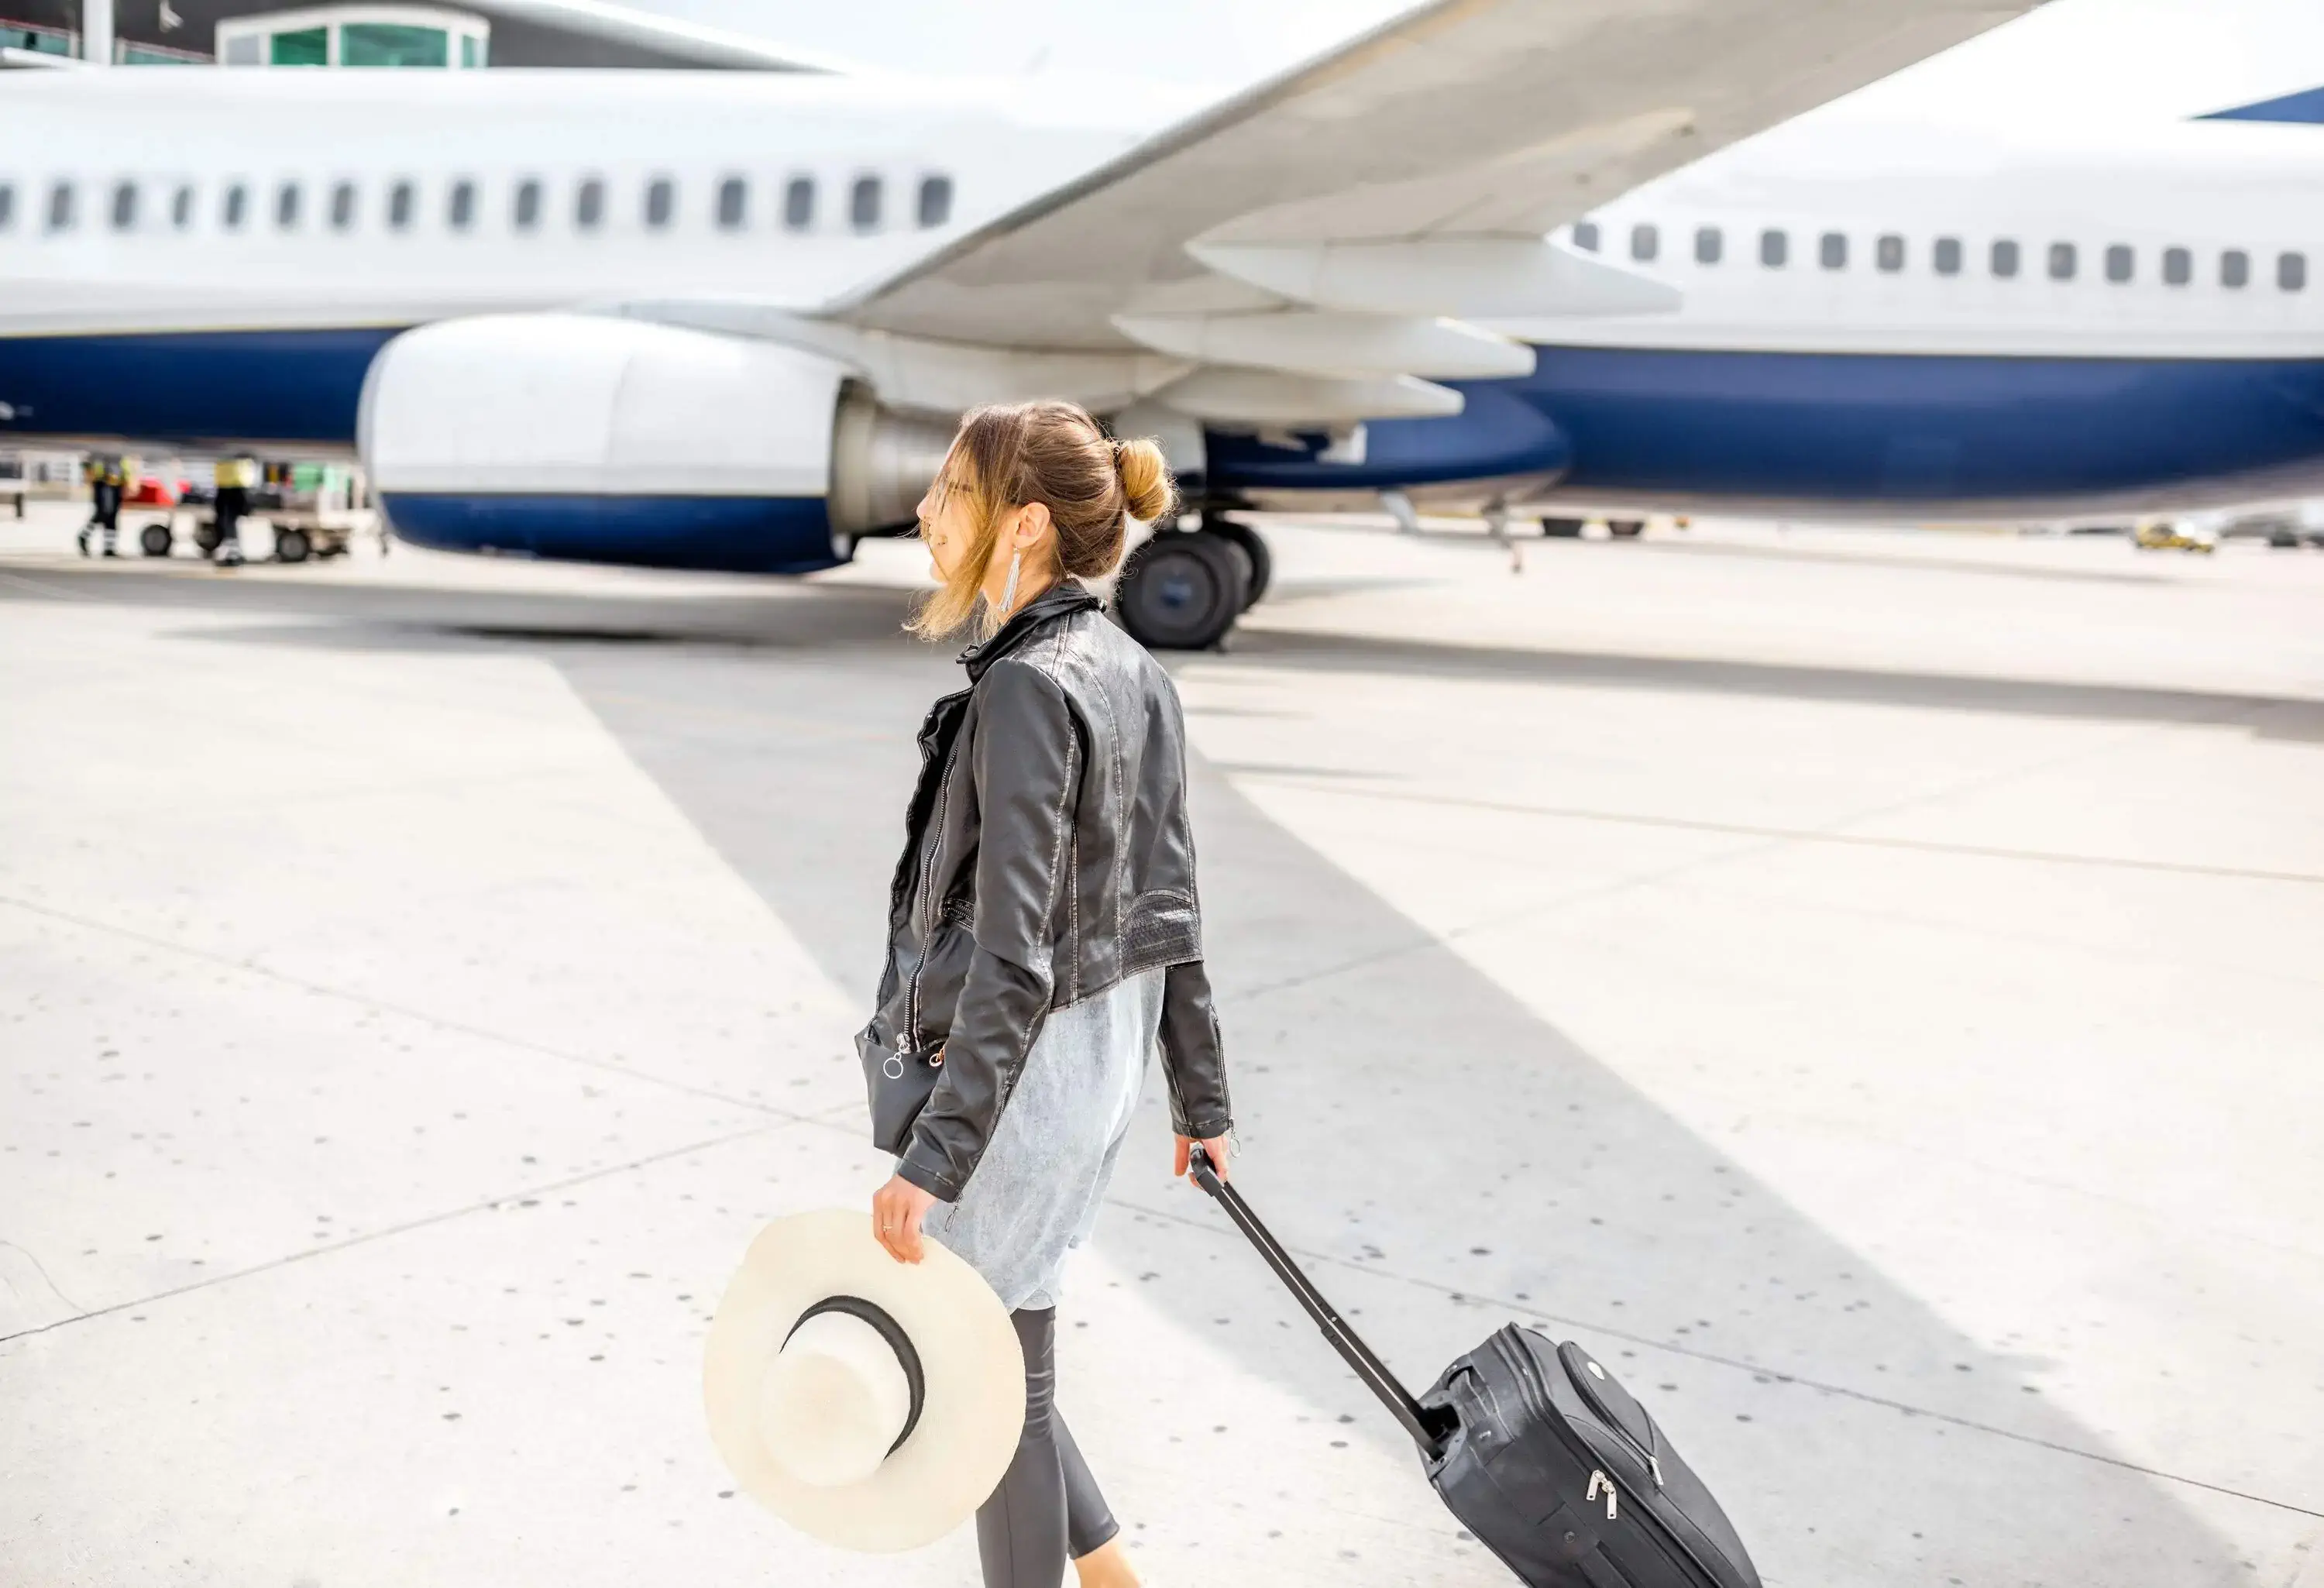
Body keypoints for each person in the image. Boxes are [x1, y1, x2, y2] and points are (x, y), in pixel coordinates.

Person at [862, 400, 1237, 1588]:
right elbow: (1170, 909)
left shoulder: (1027, 688)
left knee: (987, 1385)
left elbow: (1015, 950)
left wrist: (939, 1156)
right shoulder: (1134, 669)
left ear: (1022, 527)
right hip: (1098, 1061)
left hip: (1022, 1076)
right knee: (1008, 1358)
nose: (924, 513)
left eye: (950, 494)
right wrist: (1200, 1101)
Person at [79, 452, 129, 557]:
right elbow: (87, 462)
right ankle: (84, 535)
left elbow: (123, 464)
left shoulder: (118, 448)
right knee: (103, 512)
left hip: (116, 483)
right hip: (103, 482)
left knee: (112, 515)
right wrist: (89, 476)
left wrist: (125, 481)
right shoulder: (99, 447)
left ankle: (109, 548)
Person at [211, 452, 257, 567]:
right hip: (236, 483)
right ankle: (231, 548)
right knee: (229, 519)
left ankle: (230, 548)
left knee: (226, 519)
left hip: (230, 484)